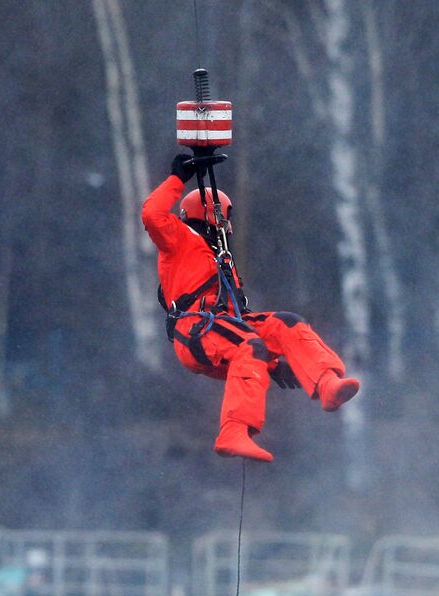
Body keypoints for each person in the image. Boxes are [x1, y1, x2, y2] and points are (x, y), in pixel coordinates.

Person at [141, 154, 360, 462]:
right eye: (225, 218)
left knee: (286, 323)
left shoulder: (220, 257)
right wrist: (177, 178)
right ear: (210, 217)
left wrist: (273, 363)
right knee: (249, 345)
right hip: (194, 329)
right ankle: (233, 431)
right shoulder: (179, 238)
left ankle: (326, 382)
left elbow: (236, 319)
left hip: (219, 326)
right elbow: (151, 214)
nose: (229, 226)